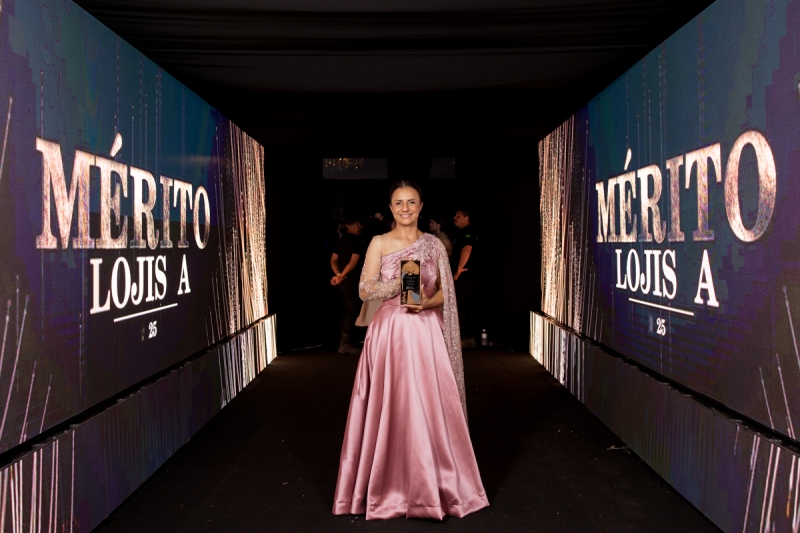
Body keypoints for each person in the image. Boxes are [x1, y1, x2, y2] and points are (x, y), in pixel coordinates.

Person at [333, 180, 489, 520]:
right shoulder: (379, 242)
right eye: (399, 203)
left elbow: (446, 292)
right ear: (391, 208)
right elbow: (364, 290)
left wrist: (425, 302)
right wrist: (401, 283)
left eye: (411, 202)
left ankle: (435, 486)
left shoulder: (434, 245)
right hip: (389, 332)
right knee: (391, 402)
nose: (405, 208)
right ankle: (386, 488)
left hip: (426, 330)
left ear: (421, 206)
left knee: (428, 403)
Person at [330, 216, 364, 354]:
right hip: (351, 281)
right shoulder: (357, 241)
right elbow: (353, 262)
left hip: (342, 283)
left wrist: (339, 275)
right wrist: (342, 276)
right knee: (352, 310)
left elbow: (333, 260)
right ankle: (345, 343)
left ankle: (344, 341)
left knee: (346, 310)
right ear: (358, 225)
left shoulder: (340, 240)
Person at [451, 208, 479, 348]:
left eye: (458, 216)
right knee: (466, 305)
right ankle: (468, 337)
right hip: (466, 275)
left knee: (460, 303)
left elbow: (467, 249)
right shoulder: (461, 233)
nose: (455, 218)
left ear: (466, 218)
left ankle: (464, 337)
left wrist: (459, 269)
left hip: (466, 275)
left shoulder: (468, 232)